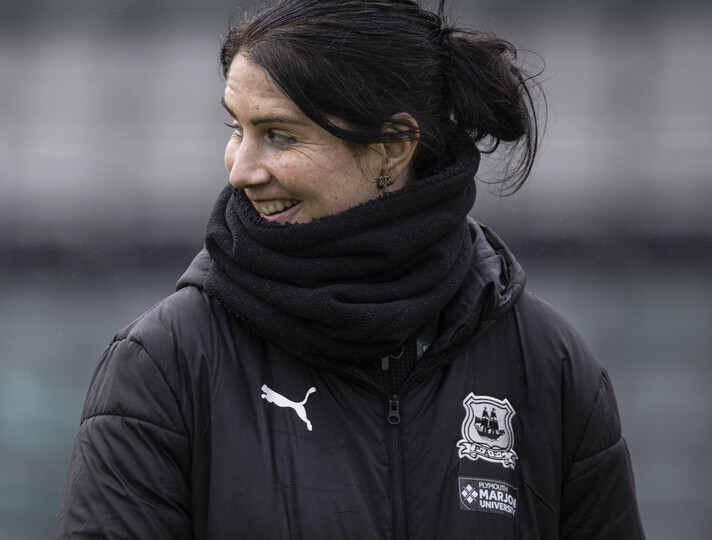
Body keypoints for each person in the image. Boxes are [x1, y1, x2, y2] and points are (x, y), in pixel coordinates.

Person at [54, 0, 645, 538]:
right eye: (238, 129)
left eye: (279, 135)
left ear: (392, 146)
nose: (240, 170)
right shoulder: (165, 363)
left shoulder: (549, 367)